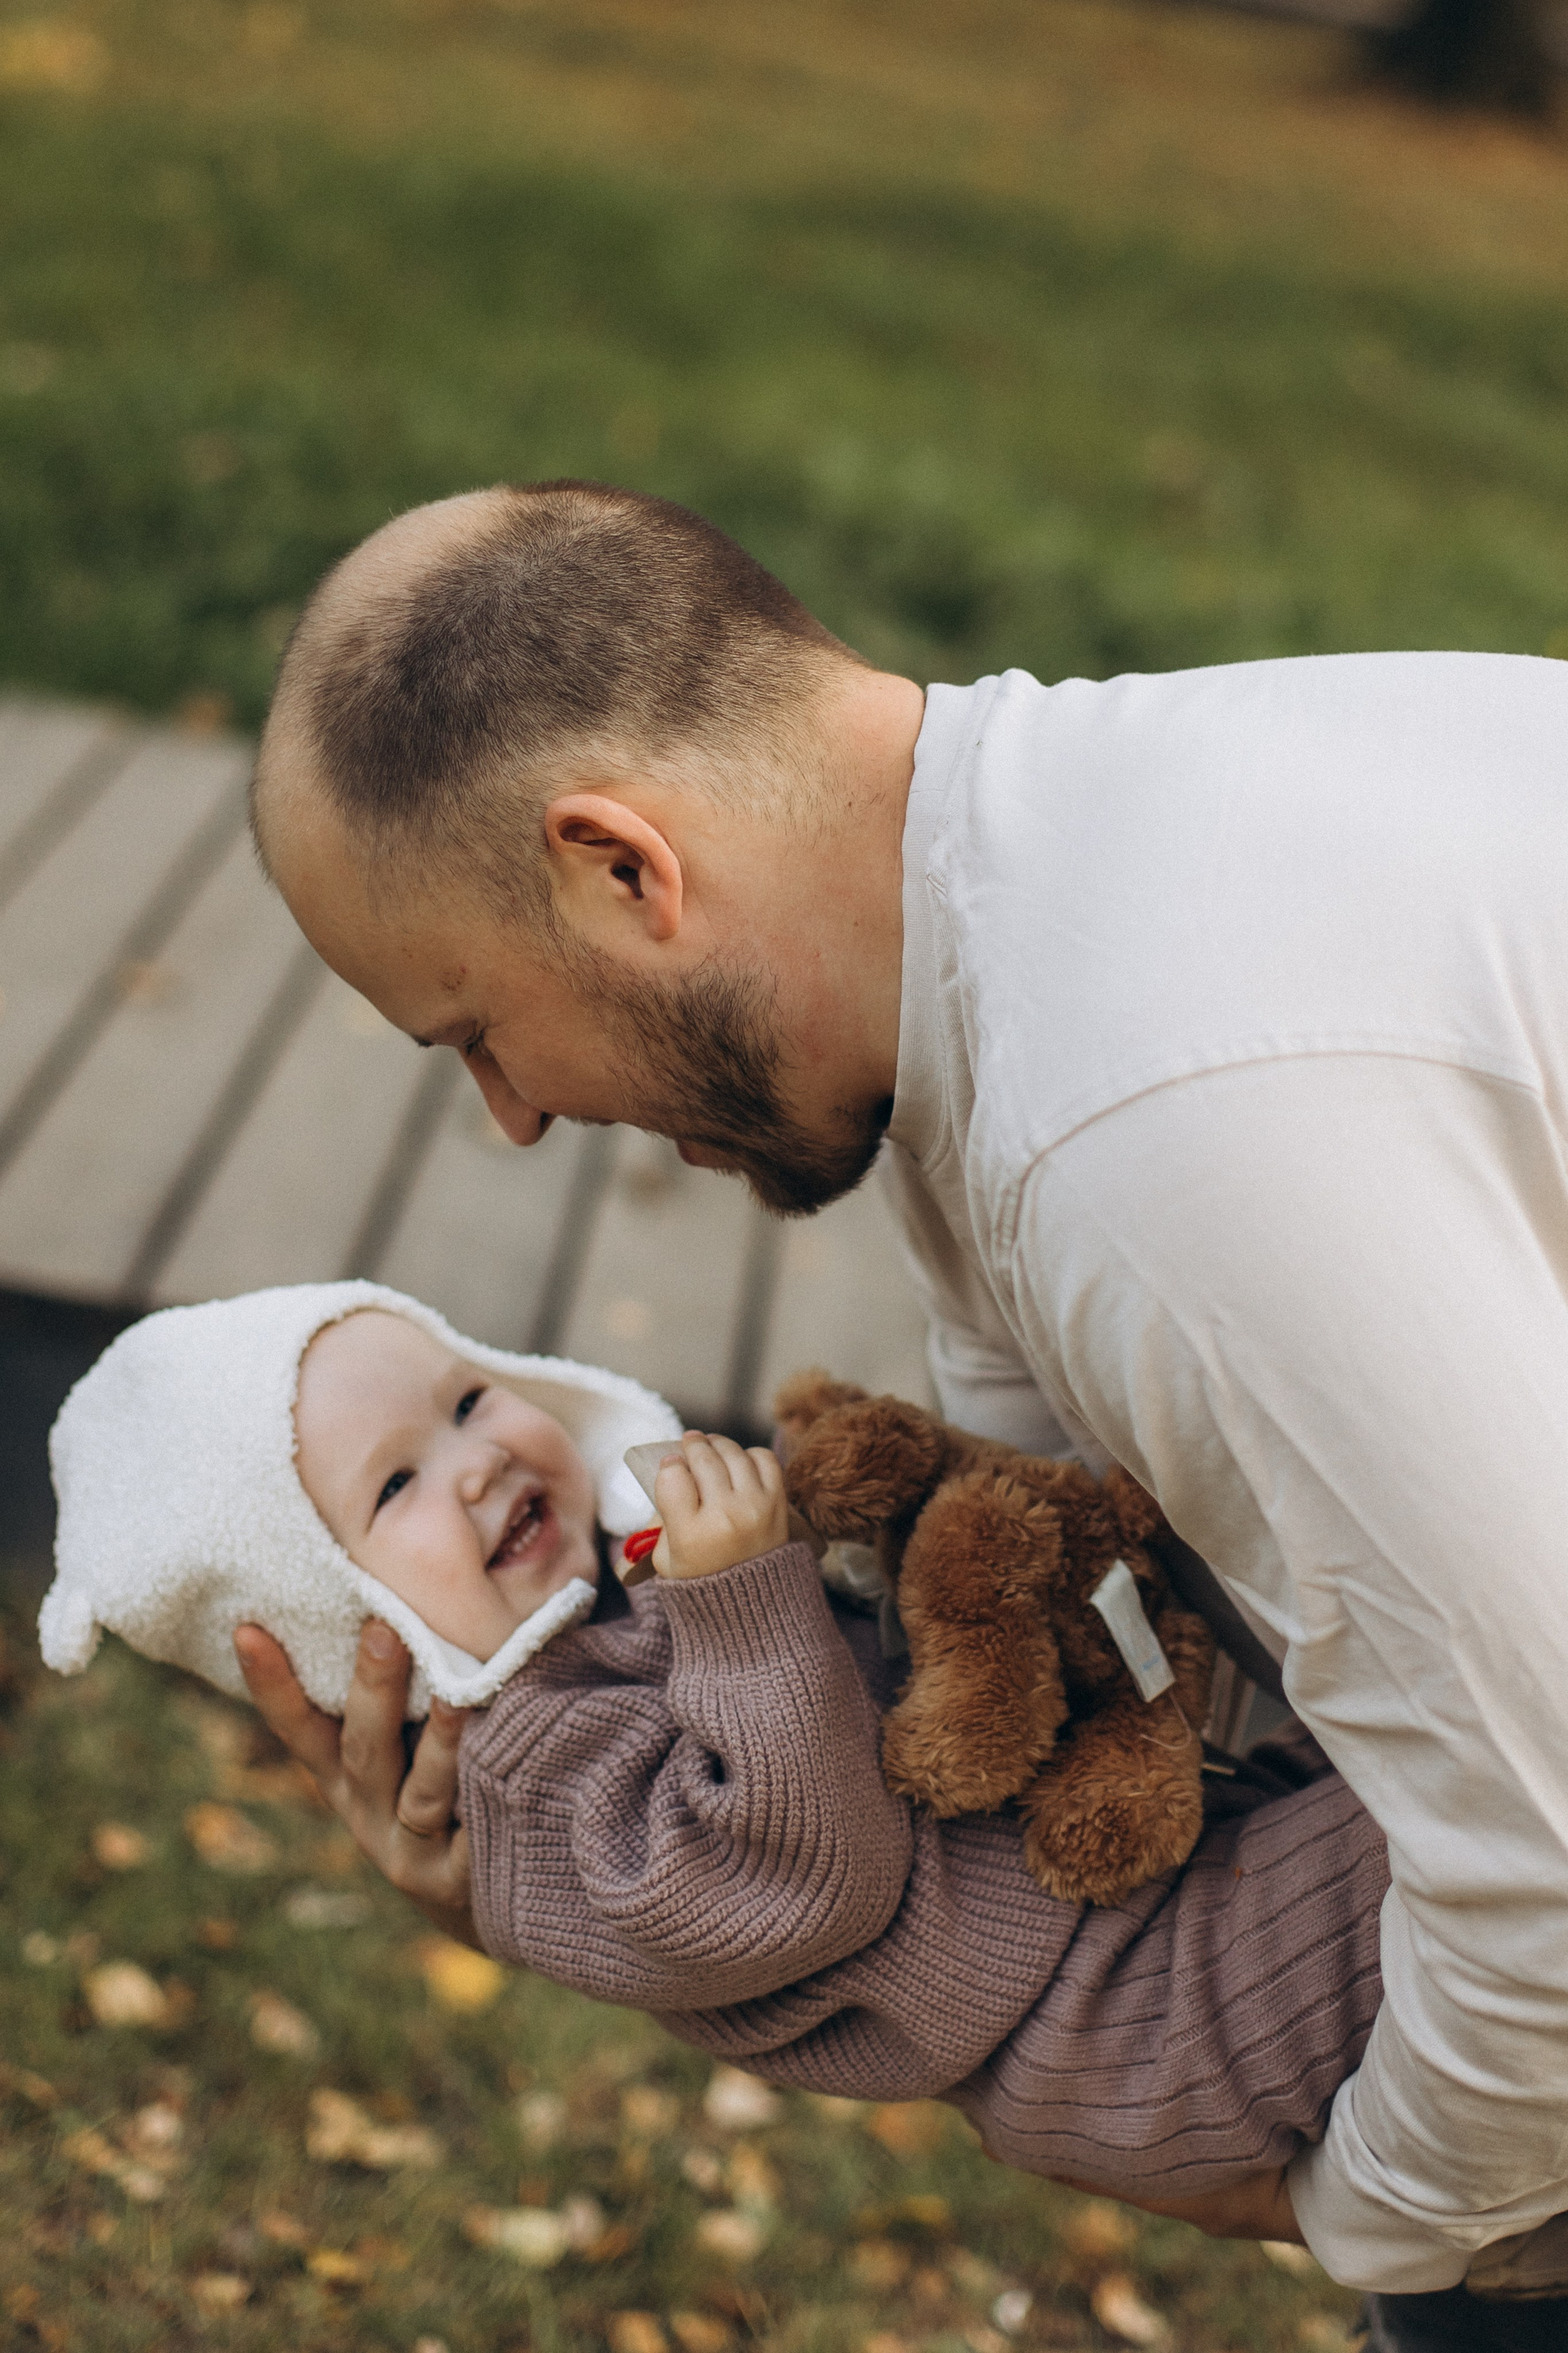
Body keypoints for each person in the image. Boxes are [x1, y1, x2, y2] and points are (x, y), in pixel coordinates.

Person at [242, 480, 1568, 2343]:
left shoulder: (1147, 1139)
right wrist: (575, 1875)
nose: (514, 1117)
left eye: (474, 1027)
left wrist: (1373, 2222)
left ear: (624, 868)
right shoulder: (1030, 907)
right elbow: (1075, 1610)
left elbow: (1553, 1857)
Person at [39, 1278, 1390, 2207]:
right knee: (1463, 1853)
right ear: (338, 1619)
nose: (473, 1462)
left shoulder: (622, 1588)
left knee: (1425, 1770)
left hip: (1134, 1896)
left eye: (464, 1400)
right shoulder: (526, 1785)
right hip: (1114, 2020)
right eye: (394, 1484)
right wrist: (742, 1604)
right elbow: (789, 1878)